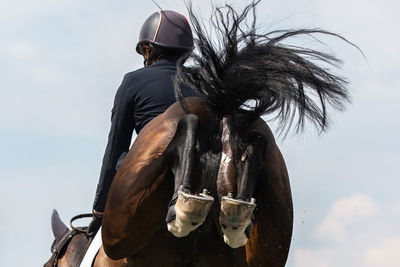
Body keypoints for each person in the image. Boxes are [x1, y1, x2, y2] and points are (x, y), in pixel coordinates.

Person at [87, 10, 195, 236]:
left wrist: (99, 210)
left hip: (145, 189)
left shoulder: (132, 82)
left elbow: (115, 147)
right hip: (194, 188)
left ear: (148, 50)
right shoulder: (205, 82)